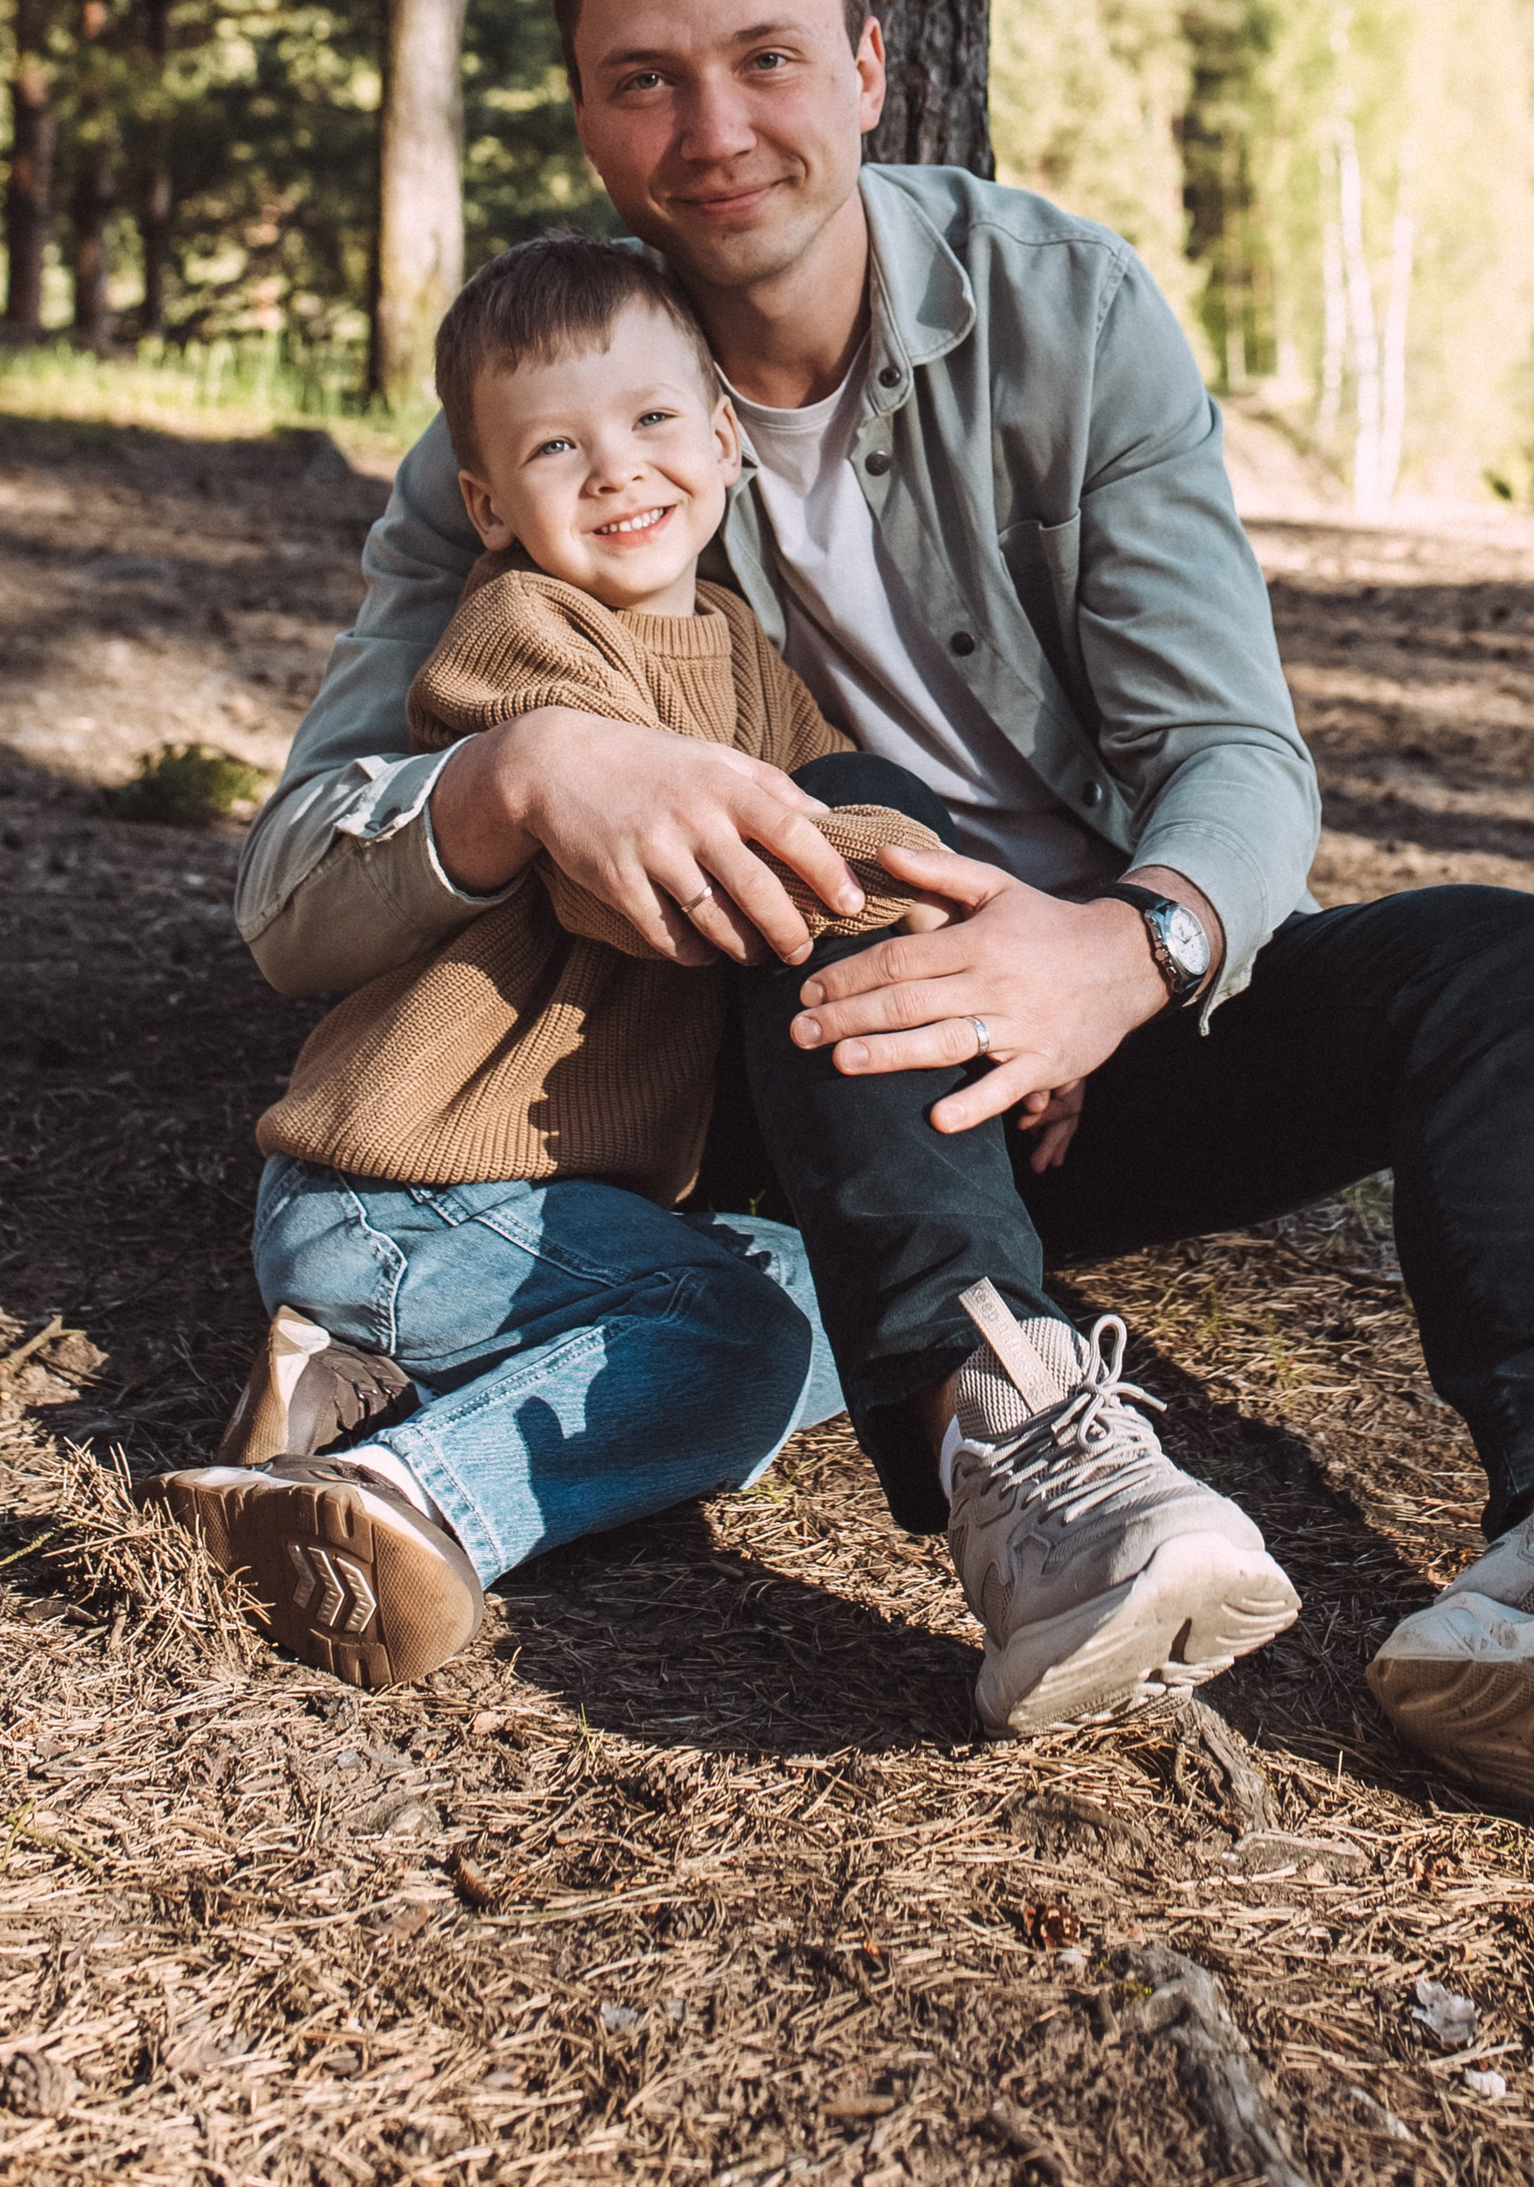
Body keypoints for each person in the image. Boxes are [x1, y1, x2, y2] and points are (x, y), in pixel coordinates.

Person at [208, 0, 1534, 1815]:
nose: (712, 131)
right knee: (842, 819)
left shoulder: (1063, 314)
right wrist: (513, 781)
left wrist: (1116, 957)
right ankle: (1021, 1463)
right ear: (587, 119)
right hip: (780, 1071)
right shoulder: (538, 423)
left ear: (868, 61)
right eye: (642, 82)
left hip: (1078, 1039)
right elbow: (293, 885)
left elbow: (1238, 763)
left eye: (763, 60)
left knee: (1495, 960)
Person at [155, 230, 950, 1690]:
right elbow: (640, 888)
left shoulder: (747, 660)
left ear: (723, 440)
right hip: (405, 1194)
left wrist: (970, 937)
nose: (618, 471)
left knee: (873, 1287)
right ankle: (399, 1499)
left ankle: (344, 1383)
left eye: (653, 422)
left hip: (549, 1209)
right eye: (557, 447)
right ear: (489, 504)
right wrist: (893, 879)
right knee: (741, 1341)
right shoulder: (522, 640)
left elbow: (837, 810)